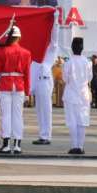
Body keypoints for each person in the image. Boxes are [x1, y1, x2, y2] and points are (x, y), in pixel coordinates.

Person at [0, 25, 32, 154]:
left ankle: (5, 145)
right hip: (19, 85)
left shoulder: (2, 51)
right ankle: (17, 145)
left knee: (5, 115)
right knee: (18, 115)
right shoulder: (26, 53)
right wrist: (27, 92)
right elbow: (27, 74)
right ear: (19, 37)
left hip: (5, 84)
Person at [31, 12, 59, 145]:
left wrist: (55, 20)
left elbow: (55, 37)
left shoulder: (51, 49)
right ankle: (42, 134)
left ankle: (46, 136)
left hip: (45, 79)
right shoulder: (37, 47)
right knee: (39, 109)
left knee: (46, 109)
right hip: (37, 80)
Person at [62, 37, 93, 155]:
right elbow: (89, 78)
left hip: (71, 94)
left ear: (72, 48)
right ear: (82, 48)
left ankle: (74, 146)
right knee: (82, 121)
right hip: (84, 94)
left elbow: (65, 78)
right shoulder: (88, 62)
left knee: (72, 121)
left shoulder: (68, 62)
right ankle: (80, 146)